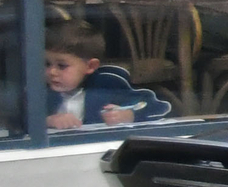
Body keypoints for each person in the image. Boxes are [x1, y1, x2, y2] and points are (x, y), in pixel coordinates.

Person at [43, 20, 171, 129]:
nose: (51, 72)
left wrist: (130, 115)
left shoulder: (108, 85)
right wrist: (47, 121)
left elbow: (159, 107)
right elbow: (24, 119)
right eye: (47, 64)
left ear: (90, 66)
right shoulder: (39, 91)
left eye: (62, 66)